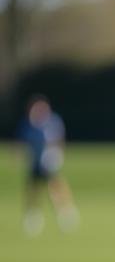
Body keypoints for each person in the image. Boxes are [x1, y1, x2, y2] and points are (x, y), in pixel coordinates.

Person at [17, 95, 79, 236]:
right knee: (33, 190)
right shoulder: (28, 124)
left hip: (50, 162)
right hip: (35, 162)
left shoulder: (53, 122)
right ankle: (33, 217)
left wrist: (57, 155)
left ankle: (65, 213)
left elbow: (59, 140)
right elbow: (24, 144)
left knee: (55, 187)